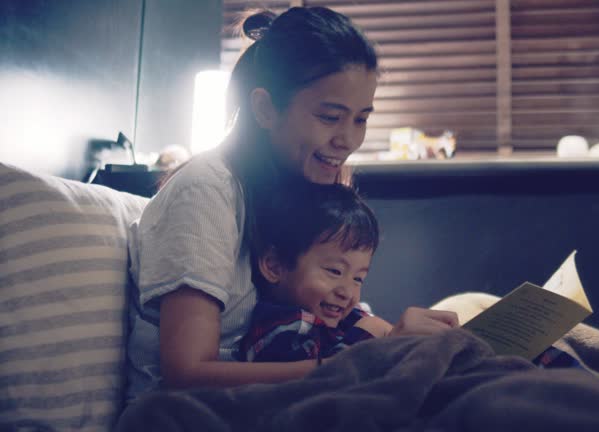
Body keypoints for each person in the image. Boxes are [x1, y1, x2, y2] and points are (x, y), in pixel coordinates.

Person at [125, 6, 458, 402]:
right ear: (265, 108)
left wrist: (399, 340)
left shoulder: (302, 186)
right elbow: (186, 373)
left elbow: (337, 323)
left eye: (361, 119)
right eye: (330, 116)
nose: (348, 140)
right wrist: (360, 364)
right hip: (196, 412)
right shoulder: (204, 193)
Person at [240, 182, 386, 364]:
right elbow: (315, 382)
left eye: (358, 279)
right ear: (274, 266)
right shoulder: (282, 328)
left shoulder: (342, 315)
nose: (346, 293)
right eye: (335, 271)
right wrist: (368, 333)